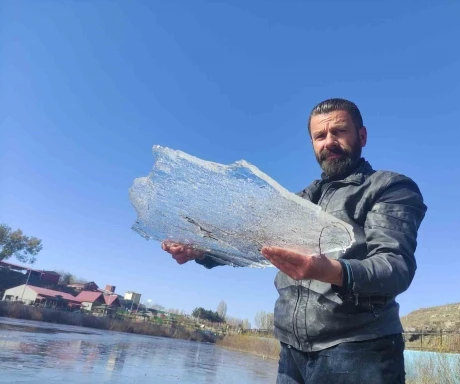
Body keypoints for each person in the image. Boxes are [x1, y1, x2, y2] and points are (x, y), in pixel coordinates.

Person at [162, 98, 427, 383]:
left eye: (339, 131)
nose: (329, 142)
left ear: (361, 136)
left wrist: (330, 271)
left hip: (359, 352)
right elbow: (254, 248)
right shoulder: (298, 202)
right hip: (291, 354)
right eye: (320, 136)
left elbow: (395, 267)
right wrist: (202, 252)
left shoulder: (389, 187)